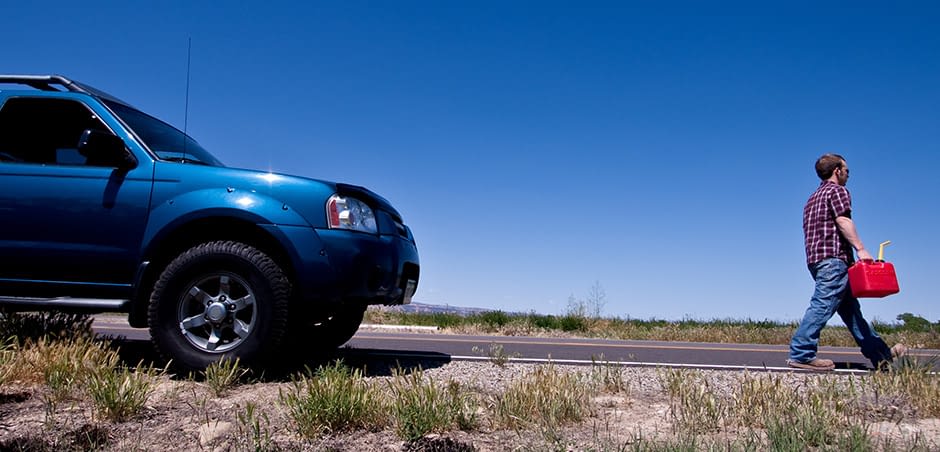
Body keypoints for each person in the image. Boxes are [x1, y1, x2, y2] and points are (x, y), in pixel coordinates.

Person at [788, 154, 906, 371]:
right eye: (847, 171)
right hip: (833, 260)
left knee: (852, 313)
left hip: (816, 260)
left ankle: (881, 355)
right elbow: (843, 220)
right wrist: (861, 249)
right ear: (837, 171)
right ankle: (801, 353)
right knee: (822, 305)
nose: (848, 175)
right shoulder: (838, 191)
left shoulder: (812, 199)